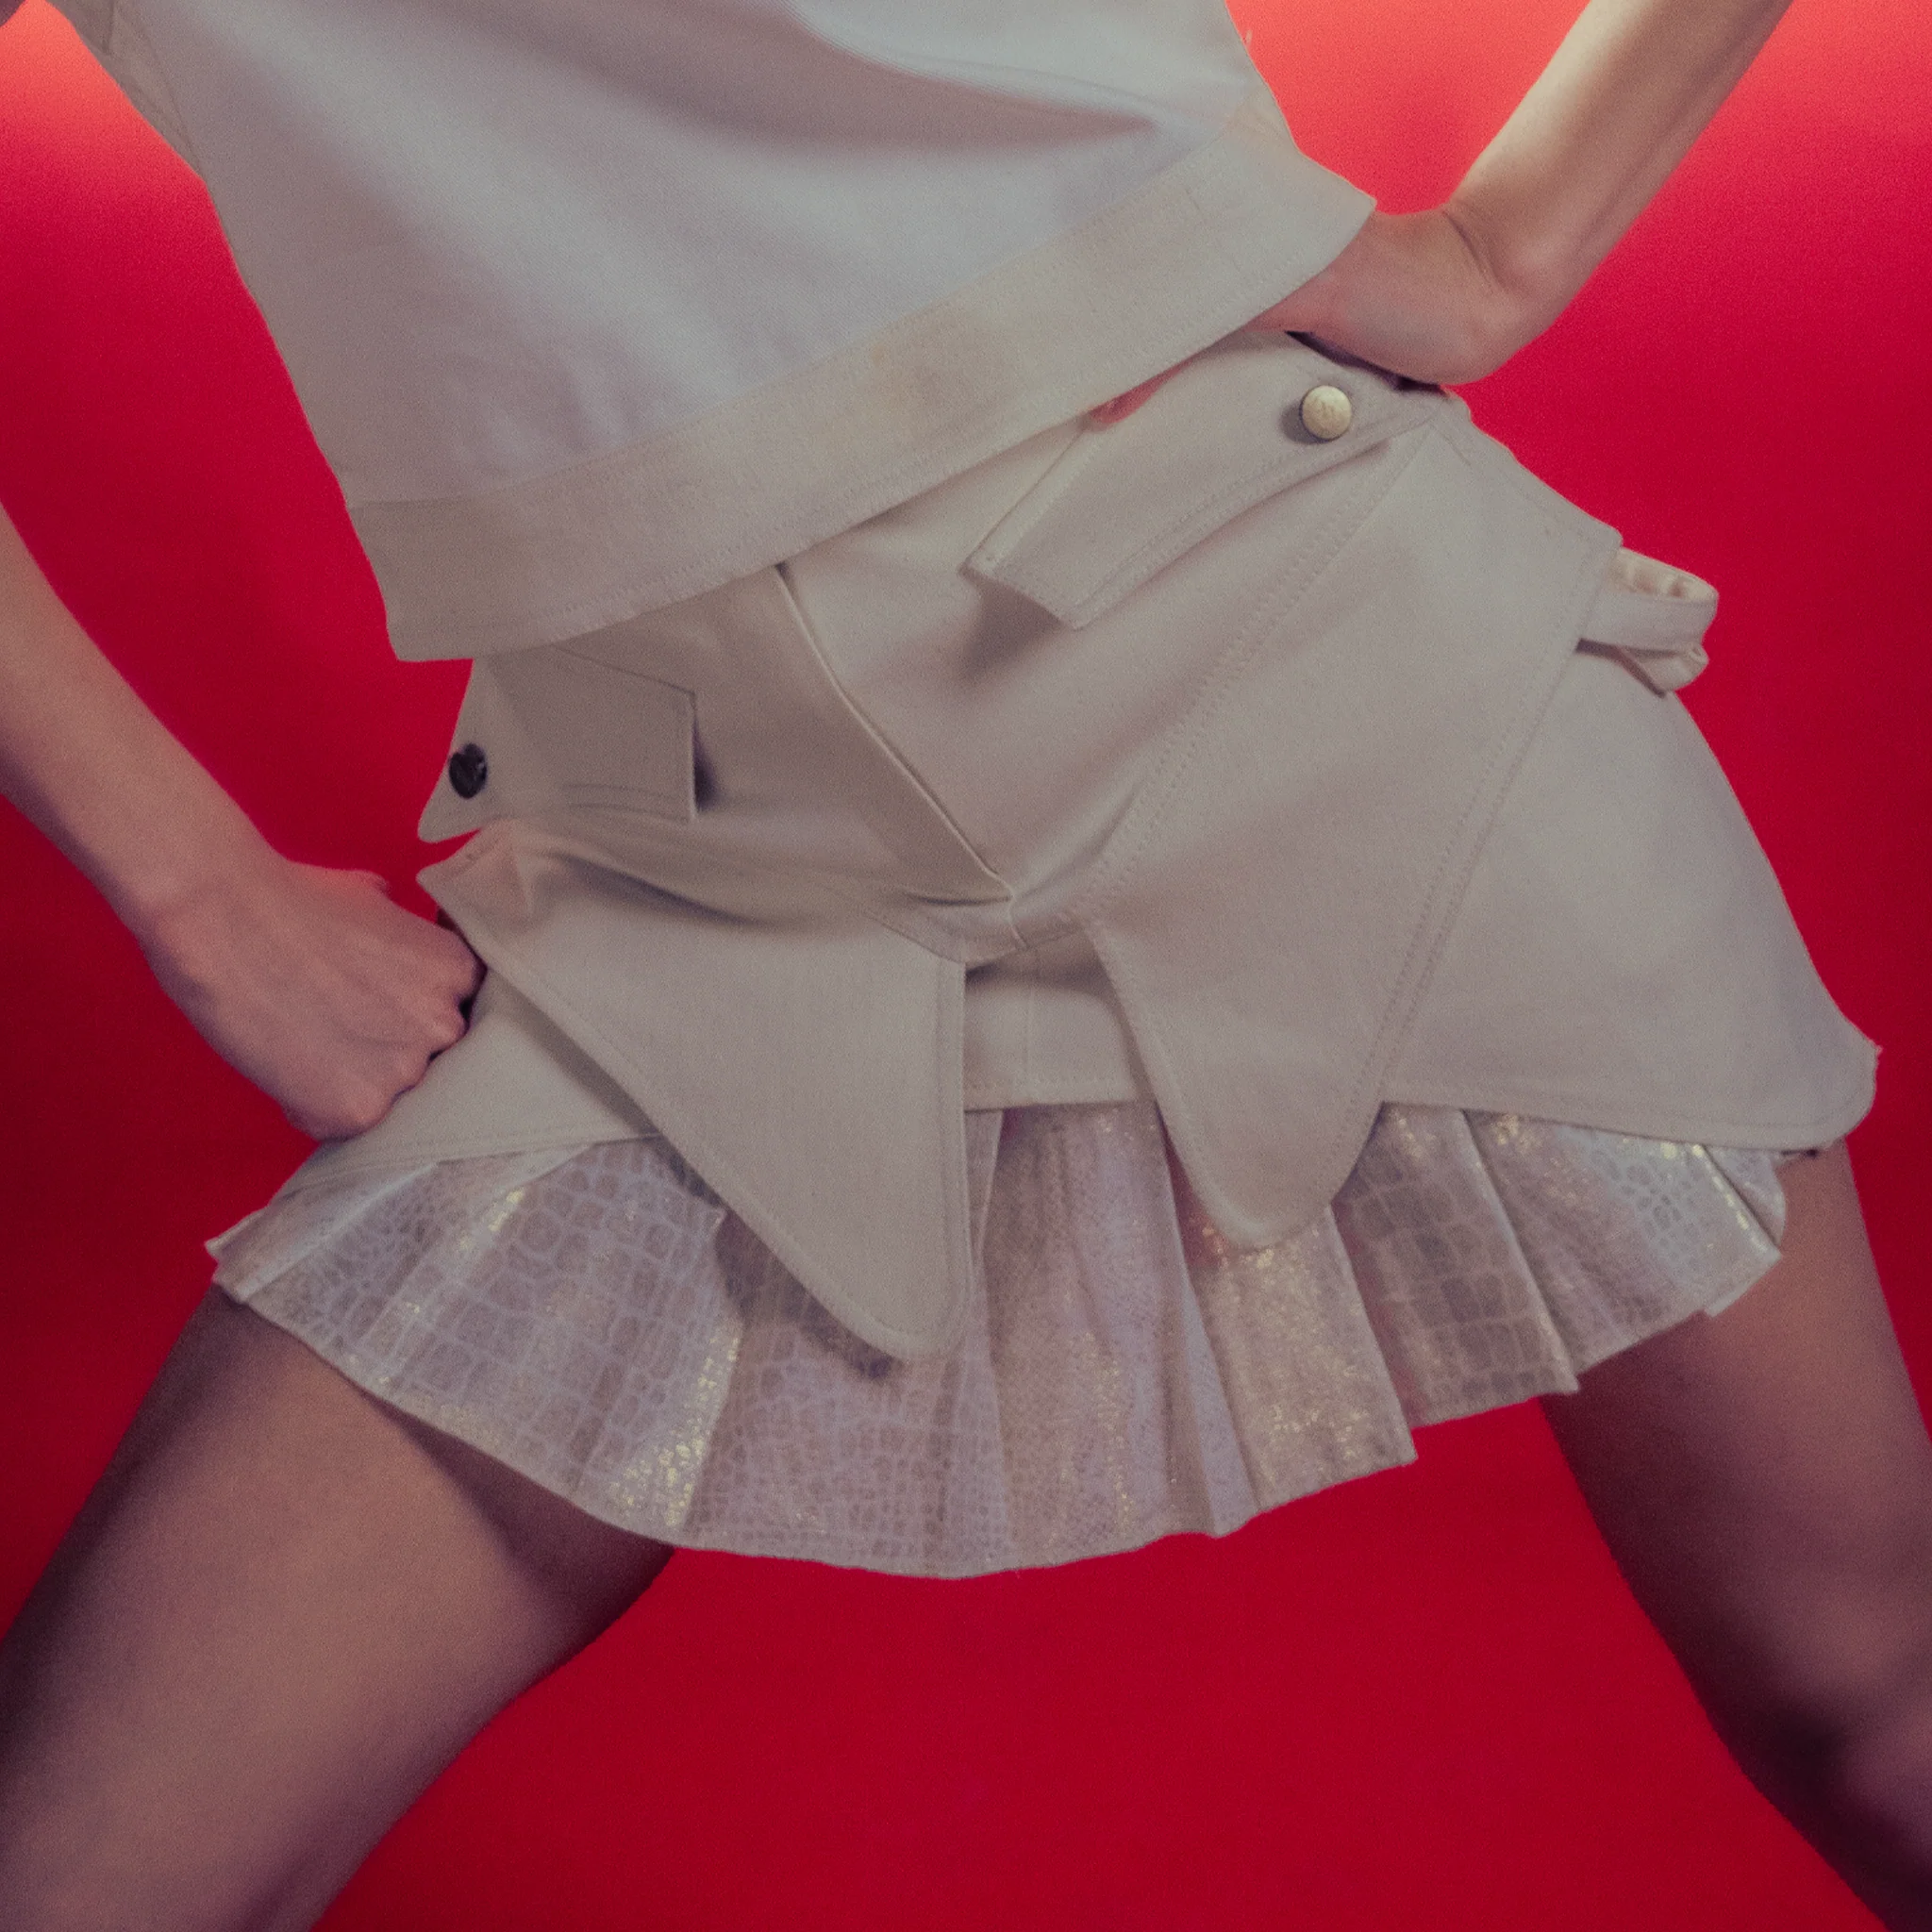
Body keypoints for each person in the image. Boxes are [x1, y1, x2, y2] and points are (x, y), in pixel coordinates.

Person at [1, 0, 1928, 1926]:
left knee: (1875, 1705)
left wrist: (1503, 255)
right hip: (684, 858)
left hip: (1328, 651)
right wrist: (199, 893)